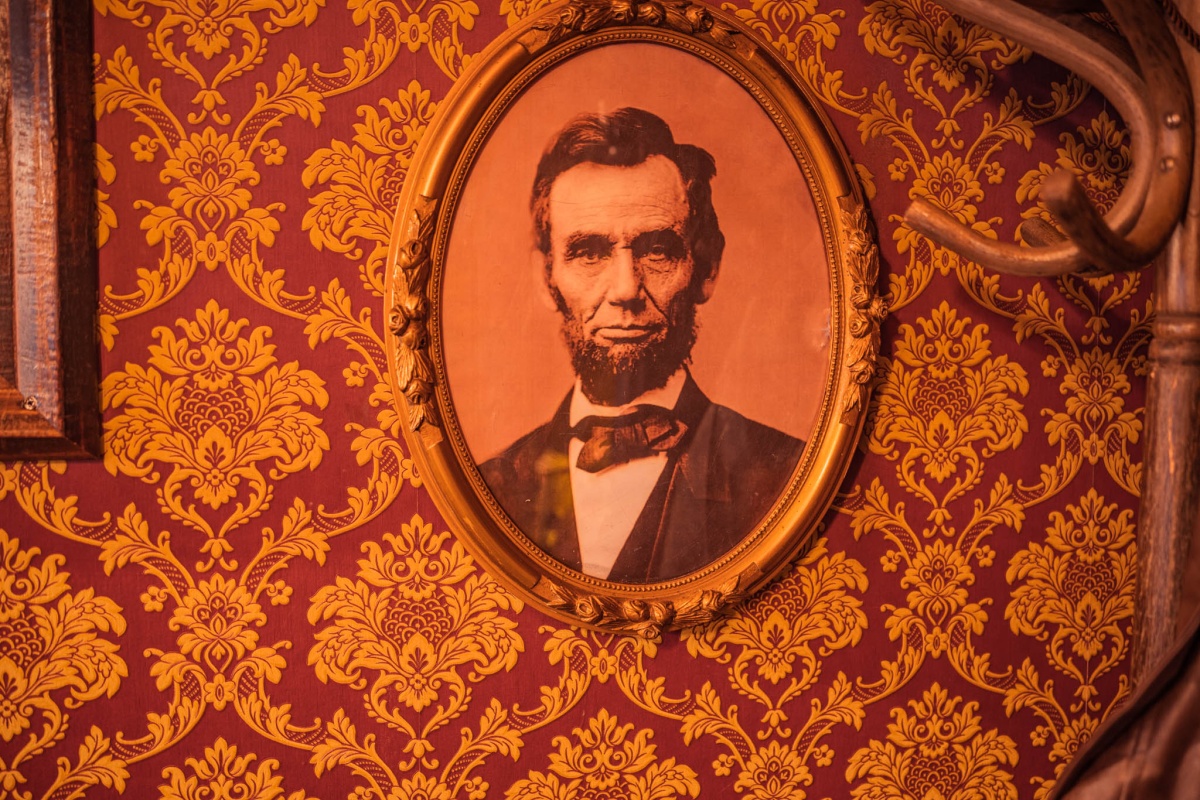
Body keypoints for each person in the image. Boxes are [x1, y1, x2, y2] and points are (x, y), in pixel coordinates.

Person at [480, 107, 805, 583]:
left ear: (706, 270)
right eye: (589, 253)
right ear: (546, 279)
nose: (626, 289)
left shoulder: (785, 476)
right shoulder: (492, 488)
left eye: (657, 250)